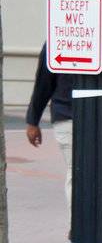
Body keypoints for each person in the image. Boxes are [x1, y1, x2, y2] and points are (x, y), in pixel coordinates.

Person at [24, 44, 74, 219]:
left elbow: (43, 84)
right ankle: (79, 227)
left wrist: (32, 121)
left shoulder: (56, 40)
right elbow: (43, 84)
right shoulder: (56, 40)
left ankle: (79, 227)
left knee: (75, 171)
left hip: (68, 115)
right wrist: (33, 120)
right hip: (70, 116)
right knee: (78, 171)